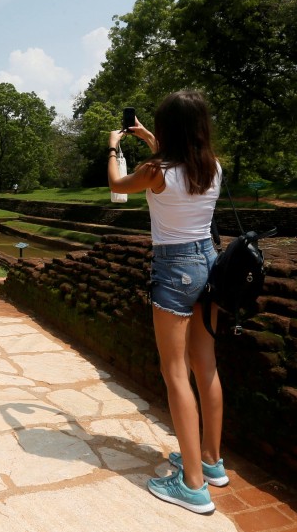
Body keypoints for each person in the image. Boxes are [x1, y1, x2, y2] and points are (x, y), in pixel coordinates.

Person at [107, 90, 226, 514]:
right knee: (205, 365)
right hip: (209, 262)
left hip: (174, 268)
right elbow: (177, 163)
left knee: (175, 371)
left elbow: (116, 186)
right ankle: (210, 462)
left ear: (169, 130)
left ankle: (192, 486)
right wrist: (146, 137)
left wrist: (112, 146)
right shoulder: (211, 167)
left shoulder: (154, 171)